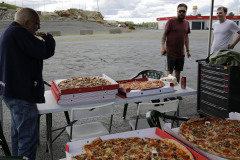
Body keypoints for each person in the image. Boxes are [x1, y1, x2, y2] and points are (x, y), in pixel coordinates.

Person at [0, 8, 55, 160]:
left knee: (18, 132)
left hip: (11, 90)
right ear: (26, 23)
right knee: (28, 137)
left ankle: (17, 158)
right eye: (37, 24)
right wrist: (49, 38)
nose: (38, 28)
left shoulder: (10, 32)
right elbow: (44, 51)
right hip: (20, 93)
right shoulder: (18, 32)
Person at [161, 3, 191, 83]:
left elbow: (186, 37)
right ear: (177, 11)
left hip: (180, 53)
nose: (181, 13)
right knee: (169, 74)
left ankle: (176, 90)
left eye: (183, 11)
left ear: (186, 12)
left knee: (177, 74)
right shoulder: (171, 21)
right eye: (180, 11)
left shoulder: (187, 23)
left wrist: (188, 50)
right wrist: (162, 47)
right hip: (170, 53)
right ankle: (168, 91)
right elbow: (164, 35)